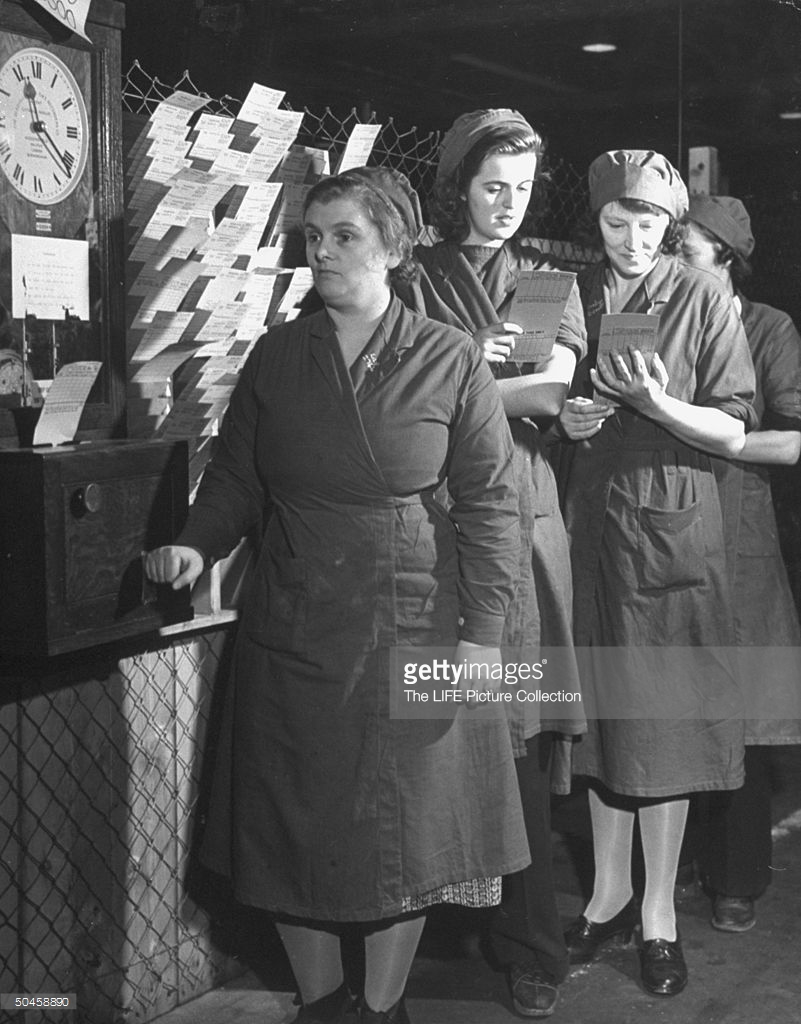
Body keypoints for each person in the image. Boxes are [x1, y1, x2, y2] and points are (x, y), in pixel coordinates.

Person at [144, 169, 531, 1024]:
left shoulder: (447, 356)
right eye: (312, 237)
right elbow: (239, 480)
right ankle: (320, 1004)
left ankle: (382, 1005)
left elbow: (493, 506)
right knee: (293, 823)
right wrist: (191, 543)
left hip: (416, 620)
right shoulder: (280, 355)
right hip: (295, 620)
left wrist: (483, 639)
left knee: (406, 827)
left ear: (391, 248)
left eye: (342, 235)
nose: (321, 252)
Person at [398, 108, 587, 1019]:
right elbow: (390, 398)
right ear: (458, 186)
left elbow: (550, 390)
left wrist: (457, 378)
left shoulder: (548, 283)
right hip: (433, 525)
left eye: (520, 188)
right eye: (491, 186)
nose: (507, 204)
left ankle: (529, 947)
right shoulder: (410, 277)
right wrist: (474, 375)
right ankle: (431, 923)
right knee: (440, 723)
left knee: (515, 737)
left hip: (519, 518)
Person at [556, 150, 757, 997]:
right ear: (594, 221)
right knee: (605, 720)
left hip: (674, 527)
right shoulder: (572, 291)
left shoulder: (703, 295)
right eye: (614, 221)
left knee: (663, 727)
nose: (631, 239)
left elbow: (735, 428)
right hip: (594, 524)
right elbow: (547, 387)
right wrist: (569, 416)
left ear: (670, 228)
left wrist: (654, 405)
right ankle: (606, 896)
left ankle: (659, 916)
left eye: (648, 224)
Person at [681, 194, 801, 933]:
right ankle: (678, 869)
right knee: (671, 709)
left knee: (745, 717)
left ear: (724, 258)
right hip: (669, 532)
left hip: (739, 534)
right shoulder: (659, 318)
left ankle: (736, 879)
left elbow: (789, 443)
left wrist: (696, 434)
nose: (675, 264)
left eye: (689, 252)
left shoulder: (767, 329)